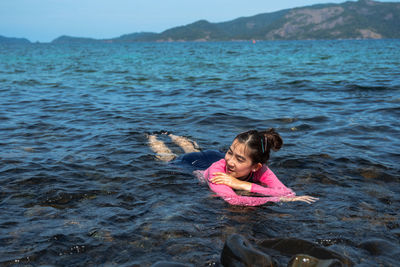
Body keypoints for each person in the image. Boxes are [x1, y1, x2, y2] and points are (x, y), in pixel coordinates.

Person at [147, 129, 318, 206]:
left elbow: (288, 193)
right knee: (168, 158)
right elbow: (234, 200)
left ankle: (172, 136)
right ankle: (154, 137)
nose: (231, 161)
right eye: (231, 152)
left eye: (239, 158)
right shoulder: (217, 174)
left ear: (256, 166)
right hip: (193, 164)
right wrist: (278, 199)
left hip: (215, 156)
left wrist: (242, 185)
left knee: (195, 148)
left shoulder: (262, 170)